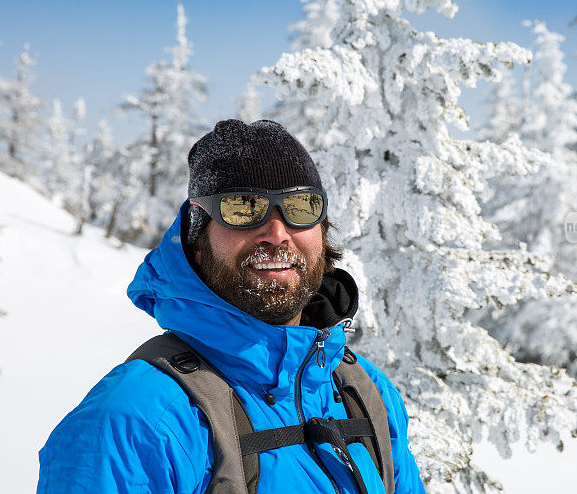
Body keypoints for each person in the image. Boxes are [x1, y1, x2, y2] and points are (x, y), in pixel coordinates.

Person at [37, 119, 425, 493]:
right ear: (197, 242)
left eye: (302, 207)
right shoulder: (137, 421)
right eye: (243, 208)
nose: (276, 233)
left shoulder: (363, 391)